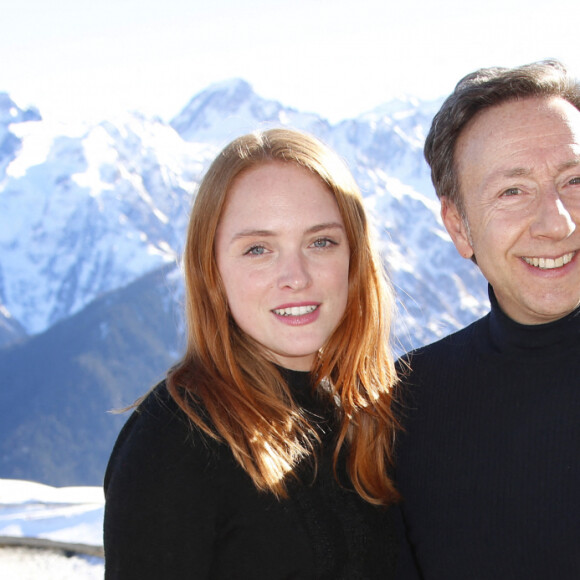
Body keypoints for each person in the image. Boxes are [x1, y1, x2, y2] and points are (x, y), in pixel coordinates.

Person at [104, 128, 401, 578]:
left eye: (320, 241)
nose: (295, 276)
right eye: (258, 249)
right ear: (212, 270)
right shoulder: (178, 439)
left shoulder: (369, 415)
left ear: (355, 259)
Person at [395, 59, 580, 579]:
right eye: (512, 191)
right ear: (459, 226)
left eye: (574, 179)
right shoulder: (405, 409)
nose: (556, 222)